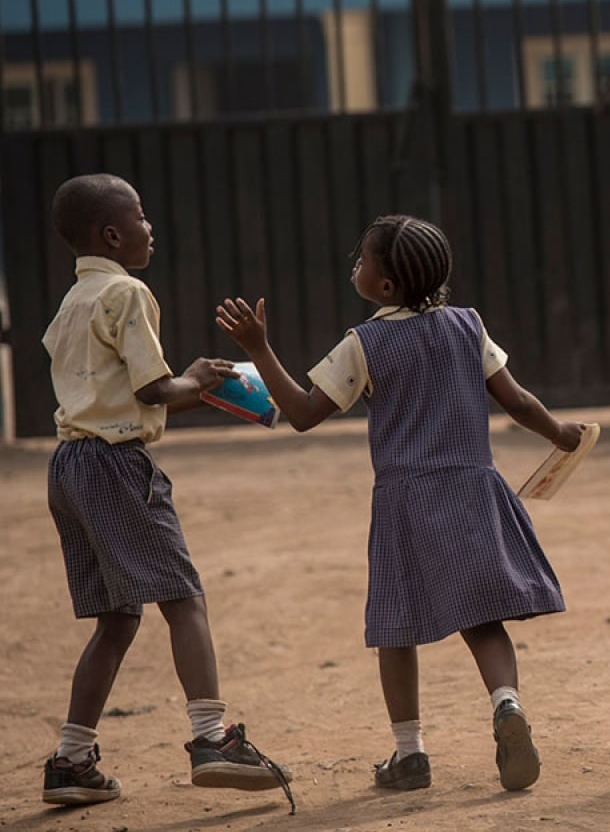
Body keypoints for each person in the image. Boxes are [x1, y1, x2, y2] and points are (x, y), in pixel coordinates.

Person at [215, 215, 582, 791]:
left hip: (405, 500)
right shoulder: (468, 325)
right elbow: (518, 400)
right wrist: (559, 434)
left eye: (361, 261)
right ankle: (507, 704)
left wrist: (259, 349)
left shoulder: (364, 343)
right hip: (472, 487)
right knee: (483, 617)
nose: (354, 267)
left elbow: (305, 414)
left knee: (395, 625)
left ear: (384, 288)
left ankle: (409, 753)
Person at [41, 174, 293, 809]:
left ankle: (72, 759)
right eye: (142, 216)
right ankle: (213, 739)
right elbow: (155, 392)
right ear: (113, 233)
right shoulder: (128, 293)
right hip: (118, 466)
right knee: (184, 599)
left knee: (118, 618)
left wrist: (187, 382)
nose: (150, 227)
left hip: (70, 467)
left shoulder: (70, 303)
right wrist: (200, 378)